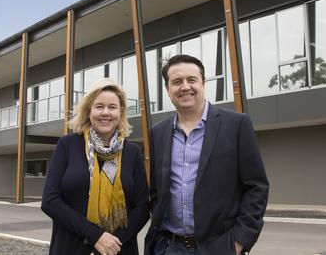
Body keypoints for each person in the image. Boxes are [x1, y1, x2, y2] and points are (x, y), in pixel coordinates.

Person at [145, 54, 269, 255]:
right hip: (169, 247)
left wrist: (239, 242)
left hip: (220, 247)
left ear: (203, 83)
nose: (185, 86)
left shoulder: (237, 125)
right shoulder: (157, 133)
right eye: (177, 82)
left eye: (191, 80)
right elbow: (157, 191)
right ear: (168, 90)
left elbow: (256, 187)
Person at [42, 78, 150, 255]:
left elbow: (143, 207)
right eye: (99, 106)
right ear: (88, 111)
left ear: (120, 112)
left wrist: (112, 244)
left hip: (118, 249)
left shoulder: (132, 152)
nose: (105, 113)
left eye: (112, 107)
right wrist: (96, 237)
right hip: (71, 248)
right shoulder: (67, 145)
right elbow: (50, 201)